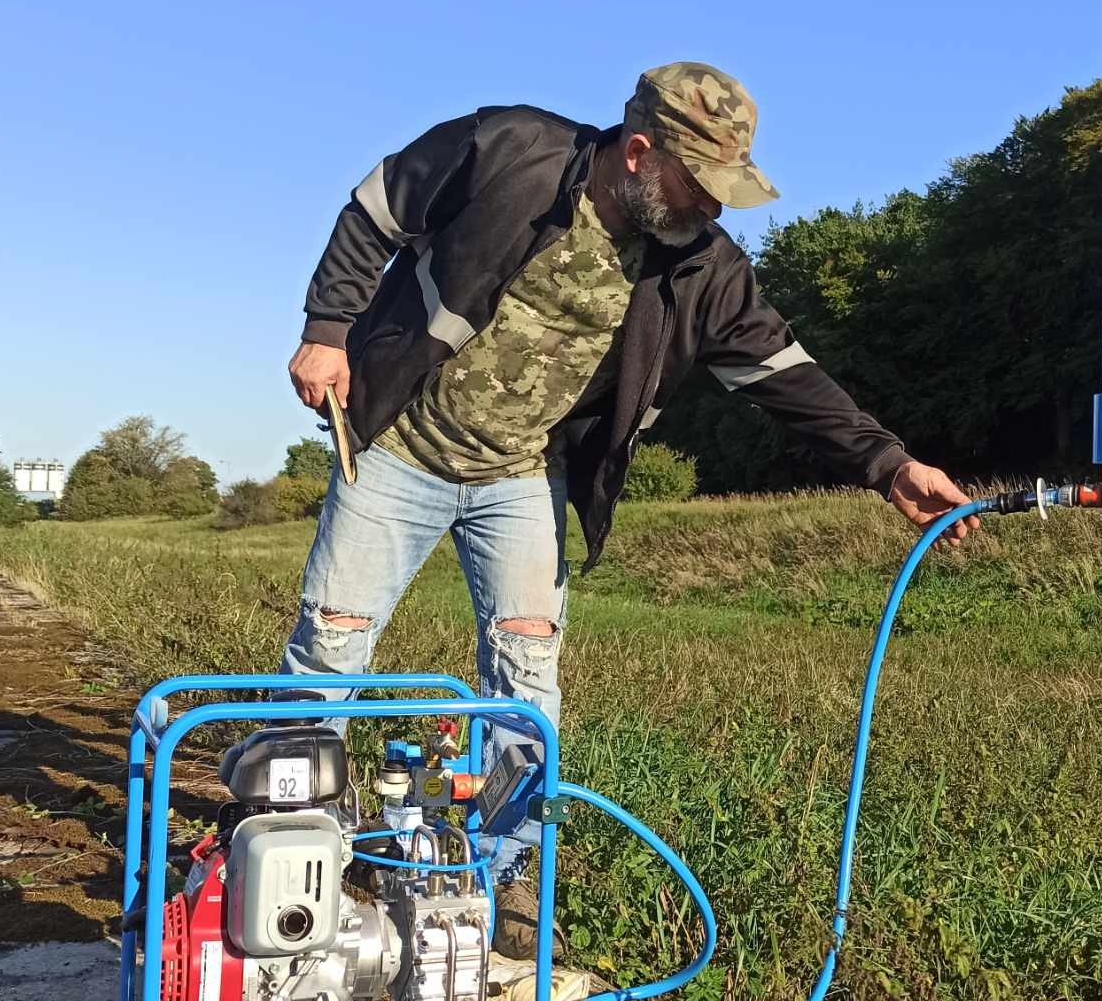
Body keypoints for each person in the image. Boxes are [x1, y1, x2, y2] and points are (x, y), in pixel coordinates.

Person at [283, 62, 977, 953]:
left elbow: (784, 373)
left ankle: (505, 878)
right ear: (641, 152)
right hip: (397, 448)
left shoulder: (703, 267)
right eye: (701, 189)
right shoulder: (509, 149)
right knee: (332, 644)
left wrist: (888, 464)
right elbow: (376, 208)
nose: (713, 212)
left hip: (522, 476)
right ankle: (291, 853)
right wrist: (325, 330)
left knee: (526, 678)